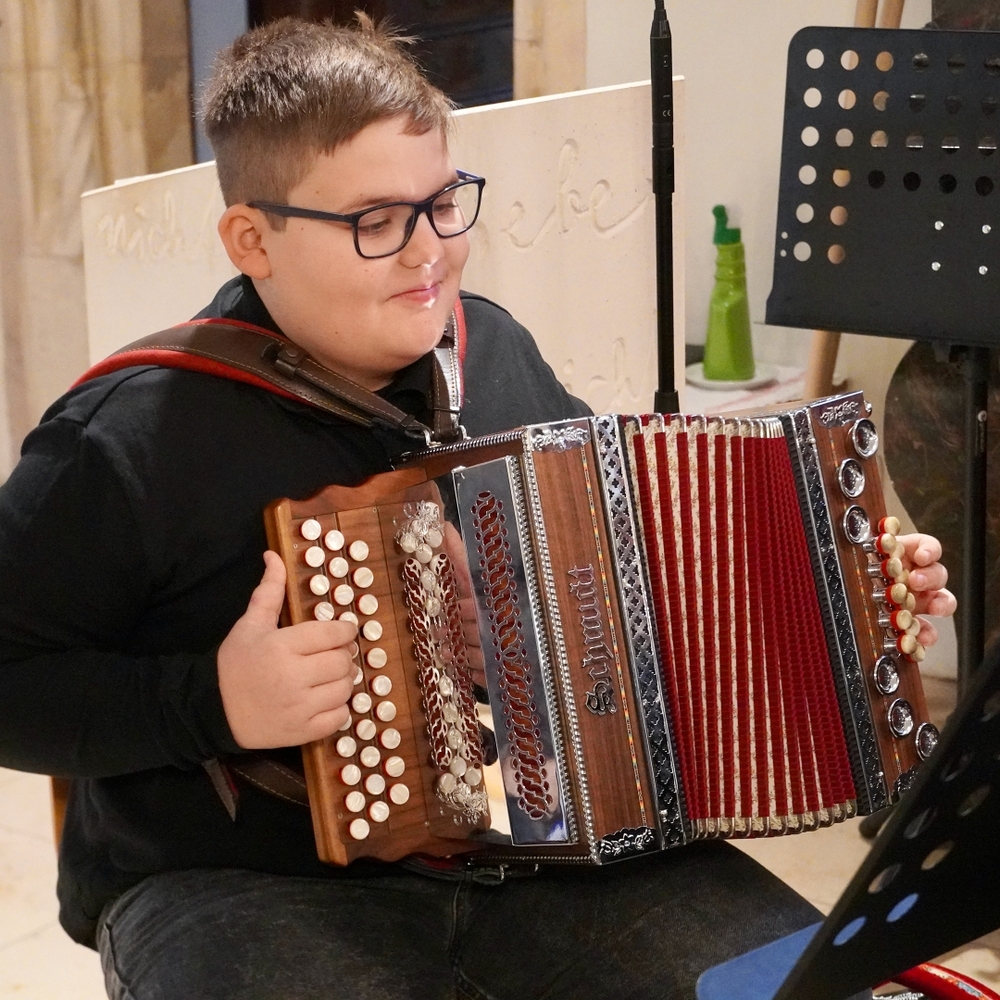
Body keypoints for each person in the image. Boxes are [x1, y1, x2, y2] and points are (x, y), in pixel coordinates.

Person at [0, 16, 956, 1000]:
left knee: (821, 991)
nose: (429, 251)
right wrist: (214, 702)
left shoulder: (493, 352)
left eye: (444, 202)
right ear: (254, 239)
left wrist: (846, 601)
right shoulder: (128, 435)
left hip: (551, 861)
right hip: (236, 880)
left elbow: (644, 585)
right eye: (376, 220)